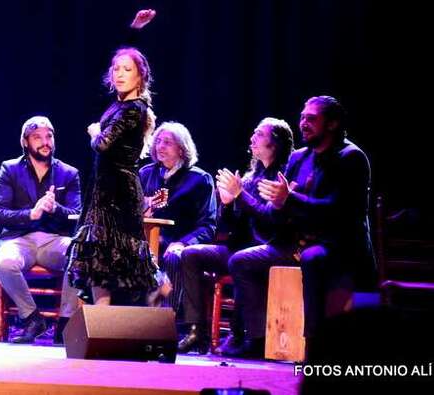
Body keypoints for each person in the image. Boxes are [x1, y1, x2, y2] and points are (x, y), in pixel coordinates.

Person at [225, 96, 376, 358]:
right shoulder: (298, 158)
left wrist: (289, 199)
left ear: (332, 123)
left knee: (313, 258)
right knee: (241, 260)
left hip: (338, 244)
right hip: (293, 244)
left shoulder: (351, 158)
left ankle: (314, 345)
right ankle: (258, 339)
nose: (304, 123)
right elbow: (275, 213)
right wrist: (251, 199)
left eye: (312, 119)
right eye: (303, 117)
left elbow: (338, 210)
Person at [177, 117, 294, 355]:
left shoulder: (282, 178)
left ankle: (245, 335)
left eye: (259, 134)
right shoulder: (250, 178)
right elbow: (227, 227)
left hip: (268, 247)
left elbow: (270, 219)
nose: (252, 138)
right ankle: (195, 331)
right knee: (190, 254)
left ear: (276, 143)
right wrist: (228, 204)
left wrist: (240, 194)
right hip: (238, 248)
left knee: (240, 260)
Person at [66, 42, 159, 306]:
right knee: (99, 260)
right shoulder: (119, 105)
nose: (119, 74)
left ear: (140, 76)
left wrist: (95, 132)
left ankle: (157, 294)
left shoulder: (134, 109)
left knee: (112, 256)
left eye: (127, 69)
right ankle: (101, 320)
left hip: (119, 192)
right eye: (116, 68)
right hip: (103, 189)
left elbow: (103, 144)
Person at [0, 116, 82, 344]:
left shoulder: (69, 173)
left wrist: (55, 208)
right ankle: (32, 318)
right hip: (18, 238)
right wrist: (30, 214)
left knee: (79, 255)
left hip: (54, 239)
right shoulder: (9, 169)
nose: (45, 142)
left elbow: (76, 215)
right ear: (25, 142)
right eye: (37, 137)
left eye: (49, 136)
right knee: (4, 263)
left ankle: (66, 324)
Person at [139, 122, 217, 335]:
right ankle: (128, 320)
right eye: (158, 142)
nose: (160, 147)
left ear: (181, 148)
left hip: (180, 244)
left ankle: (166, 325)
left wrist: (183, 243)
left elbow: (208, 225)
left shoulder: (200, 179)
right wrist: (142, 210)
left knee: (173, 257)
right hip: (148, 241)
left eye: (167, 143)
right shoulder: (146, 174)